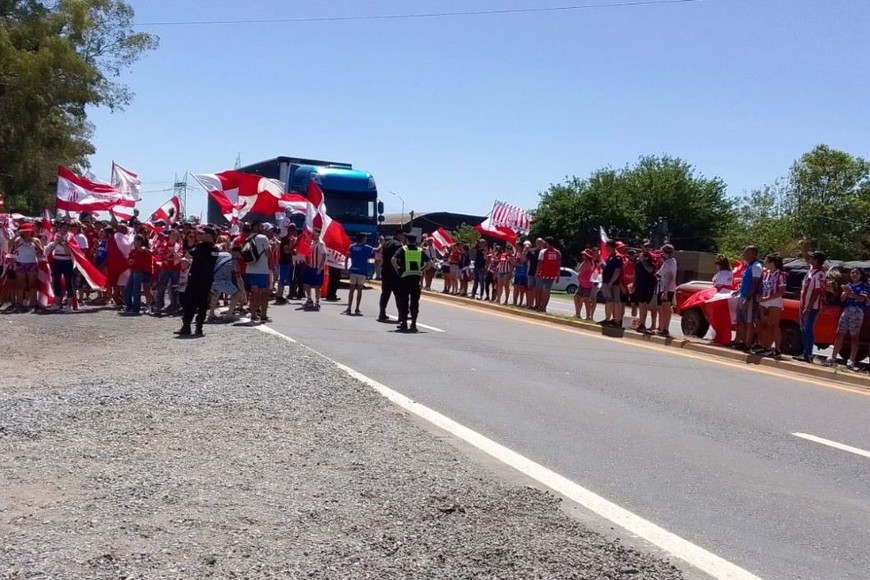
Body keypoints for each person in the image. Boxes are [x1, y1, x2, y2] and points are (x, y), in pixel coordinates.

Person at [176, 227, 218, 337]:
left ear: (209, 235)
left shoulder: (200, 247)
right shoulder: (215, 249)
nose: (199, 235)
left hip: (196, 279)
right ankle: (199, 327)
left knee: (190, 303)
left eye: (202, 234)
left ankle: (186, 326)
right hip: (207, 279)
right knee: (203, 304)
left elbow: (188, 255)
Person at [827, 268, 868, 370]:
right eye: (852, 272)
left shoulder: (863, 286)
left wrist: (851, 293)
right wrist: (844, 294)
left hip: (857, 311)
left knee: (854, 335)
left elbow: (861, 298)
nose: (854, 274)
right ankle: (833, 357)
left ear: (861, 275)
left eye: (857, 273)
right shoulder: (848, 285)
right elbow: (842, 299)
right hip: (847, 310)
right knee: (840, 333)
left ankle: (851, 360)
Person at [794, 241, 827, 363]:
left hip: (812, 306)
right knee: (803, 328)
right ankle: (805, 352)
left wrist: (808, 306)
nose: (811, 260)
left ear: (818, 260)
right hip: (804, 303)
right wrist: (804, 247)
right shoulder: (812, 269)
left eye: (814, 258)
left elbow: (817, 291)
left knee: (808, 328)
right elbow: (806, 258)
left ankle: (808, 353)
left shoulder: (820, 274)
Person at [391, 234, 432, 332]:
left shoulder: (403, 249)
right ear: (415, 241)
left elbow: (393, 260)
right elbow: (430, 264)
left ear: (407, 240)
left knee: (403, 301)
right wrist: (421, 270)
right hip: (416, 279)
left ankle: (404, 322)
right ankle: (413, 323)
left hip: (405, 278)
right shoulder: (419, 250)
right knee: (414, 302)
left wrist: (398, 270)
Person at [755, 254, 786, 359]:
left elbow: (781, 291)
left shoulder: (780, 275)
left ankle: (777, 348)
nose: (765, 263)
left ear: (772, 263)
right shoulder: (765, 273)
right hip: (764, 301)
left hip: (774, 302)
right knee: (764, 324)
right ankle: (764, 346)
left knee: (774, 325)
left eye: (767, 261)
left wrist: (768, 298)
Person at [733, 246, 763, 351]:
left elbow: (755, 284)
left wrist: (749, 298)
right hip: (742, 296)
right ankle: (739, 341)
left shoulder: (756, 266)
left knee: (749, 321)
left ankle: (747, 343)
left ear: (752, 254)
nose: (743, 254)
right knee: (740, 321)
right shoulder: (747, 266)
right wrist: (738, 291)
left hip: (749, 298)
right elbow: (744, 282)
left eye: (745, 252)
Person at [243, 221, 272, 322]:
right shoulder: (263, 238)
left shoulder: (248, 238)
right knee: (264, 293)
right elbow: (269, 254)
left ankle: (253, 314)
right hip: (262, 270)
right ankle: (263, 315)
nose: (263, 228)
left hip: (250, 270)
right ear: (256, 227)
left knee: (254, 293)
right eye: (261, 226)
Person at [44, 223, 77, 311]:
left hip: (67, 261)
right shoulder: (55, 236)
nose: (65, 229)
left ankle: (69, 305)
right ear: (59, 228)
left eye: (66, 227)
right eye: (63, 227)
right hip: (57, 260)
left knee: (69, 282)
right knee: (56, 281)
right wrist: (55, 242)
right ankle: (57, 303)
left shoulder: (70, 237)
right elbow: (50, 247)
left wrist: (62, 242)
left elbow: (71, 251)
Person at [210, 244, 246, 322]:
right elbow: (239, 280)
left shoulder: (223, 254)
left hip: (211, 279)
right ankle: (229, 315)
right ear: (239, 253)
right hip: (221, 281)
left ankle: (211, 314)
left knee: (215, 295)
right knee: (237, 294)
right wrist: (243, 293)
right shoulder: (235, 263)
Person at [12, 223, 43, 311]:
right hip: (20, 262)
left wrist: (34, 243)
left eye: (29, 231)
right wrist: (16, 235)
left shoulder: (36, 239)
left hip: (32, 263)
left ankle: (32, 303)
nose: (27, 233)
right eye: (25, 231)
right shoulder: (19, 239)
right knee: (20, 284)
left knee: (32, 284)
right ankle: (20, 303)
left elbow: (41, 251)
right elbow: (9, 244)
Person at [121, 234, 152, 316]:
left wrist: (145, 249)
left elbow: (150, 254)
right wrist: (130, 261)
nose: (135, 242)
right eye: (135, 240)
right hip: (134, 270)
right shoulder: (134, 250)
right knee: (128, 289)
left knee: (136, 290)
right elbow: (130, 259)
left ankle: (136, 308)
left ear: (141, 242)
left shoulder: (144, 249)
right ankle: (129, 306)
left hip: (141, 271)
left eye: (137, 240)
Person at [377, 230, 405, 321]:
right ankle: (401, 315)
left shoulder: (386, 243)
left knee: (385, 293)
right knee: (399, 295)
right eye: (402, 235)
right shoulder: (398, 245)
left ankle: (382, 313)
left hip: (385, 271)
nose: (403, 237)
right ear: (398, 235)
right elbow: (399, 259)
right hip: (395, 272)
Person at [344, 232, 374, 315]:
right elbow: (377, 250)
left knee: (351, 290)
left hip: (353, 271)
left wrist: (346, 269)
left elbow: (346, 258)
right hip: (362, 272)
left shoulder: (352, 247)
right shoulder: (367, 247)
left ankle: (349, 308)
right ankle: (357, 308)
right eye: (365, 238)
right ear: (363, 239)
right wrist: (382, 244)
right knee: (359, 291)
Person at [634, 241, 657, 332]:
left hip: (648, 284)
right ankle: (641, 323)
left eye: (649, 247)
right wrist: (633, 283)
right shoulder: (638, 257)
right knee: (640, 304)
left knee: (645, 304)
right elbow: (635, 271)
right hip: (639, 283)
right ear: (641, 247)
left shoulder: (652, 257)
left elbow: (650, 269)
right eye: (645, 246)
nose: (647, 248)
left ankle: (644, 323)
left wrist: (643, 261)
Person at [655, 244, 678, 336]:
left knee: (666, 308)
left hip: (668, 288)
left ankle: (665, 329)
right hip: (662, 286)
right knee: (663, 308)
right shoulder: (667, 262)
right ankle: (662, 328)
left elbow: (671, 276)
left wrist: (666, 291)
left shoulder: (672, 262)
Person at [303, 227, 327, 311]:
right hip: (310, 266)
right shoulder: (313, 242)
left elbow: (324, 255)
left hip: (317, 267)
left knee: (317, 286)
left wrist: (320, 268)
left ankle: (317, 301)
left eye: (314, 233)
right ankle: (309, 299)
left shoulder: (320, 243)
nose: (312, 235)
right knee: (306, 284)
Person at [600, 240, 623, 327]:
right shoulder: (610, 256)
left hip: (613, 283)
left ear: (611, 246)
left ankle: (617, 319)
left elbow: (617, 271)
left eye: (607, 246)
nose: (606, 248)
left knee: (616, 301)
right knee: (608, 301)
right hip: (606, 282)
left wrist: (611, 282)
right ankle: (607, 318)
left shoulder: (617, 257)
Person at [535, 237, 561, 313]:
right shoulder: (558, 253)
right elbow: (558, 265)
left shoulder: (543, 252)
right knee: (547, 291)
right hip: (552, 275)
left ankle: (539, 306)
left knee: (539, 290)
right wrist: (558, 276)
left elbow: (540, 263)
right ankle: (544, 307)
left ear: (547, 243)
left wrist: (537, 273)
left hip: (542, 274)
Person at [275, 225, 297, 304]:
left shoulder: (289, 239)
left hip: (287, 261)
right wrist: (293, 251)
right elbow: (286, 250)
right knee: (282, 279)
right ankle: (279, 295)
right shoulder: (286, 239)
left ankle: (281, 295)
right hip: (285, 261)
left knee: (285, 279)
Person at [574, 248, 597, 320]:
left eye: (584, 255)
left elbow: (582, 273)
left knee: (586, 300)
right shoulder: (586, 262)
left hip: (587, 284)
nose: (583, 255)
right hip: (582, 283)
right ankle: (578, 313)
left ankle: (588, 316)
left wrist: (579, 276)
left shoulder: (588, 263)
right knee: (577, 297)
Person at [512, 242, 529, 307]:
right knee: (515, 288)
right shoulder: (517, 253)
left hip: (522, 273)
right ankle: (514, 302)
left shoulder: (524, 254)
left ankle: (520, 302)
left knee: (521, 289)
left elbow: (522, 262)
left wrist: (516, 263)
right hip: (517, 273)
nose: (517, 248)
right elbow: (515, 263)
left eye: (518, 246)